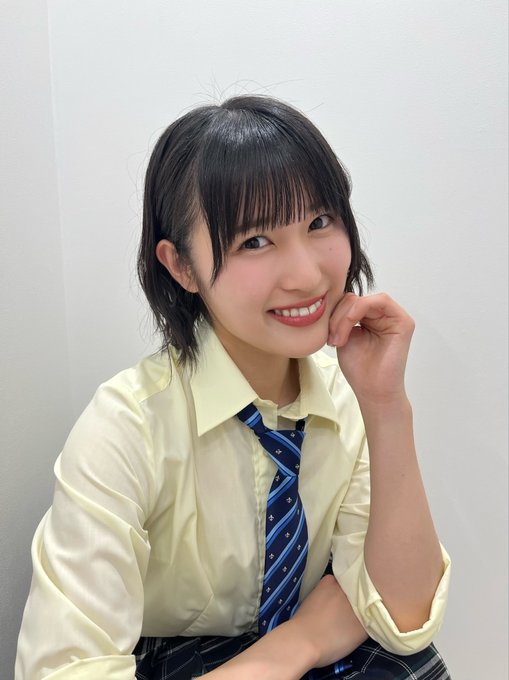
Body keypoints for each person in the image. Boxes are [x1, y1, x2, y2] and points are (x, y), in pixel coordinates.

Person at [15, 95, 451, 680]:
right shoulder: (127, 426)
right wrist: (296, 645)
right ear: (181, 267)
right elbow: (66, 670)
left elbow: (403, 619)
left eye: (319, 222)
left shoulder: (346, 397)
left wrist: (386, 405)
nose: (307, 275)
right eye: (254, 241)